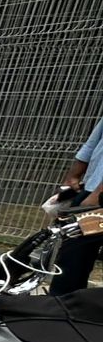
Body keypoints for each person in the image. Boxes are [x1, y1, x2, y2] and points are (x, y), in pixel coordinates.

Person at [52, 115, 103, 294]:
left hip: (97, 196)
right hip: (92, 189)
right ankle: (63, 305)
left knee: (75, 253)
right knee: (73, 255)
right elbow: (93, 142)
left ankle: (62, 304)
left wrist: (97, 195)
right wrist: (74, 176)